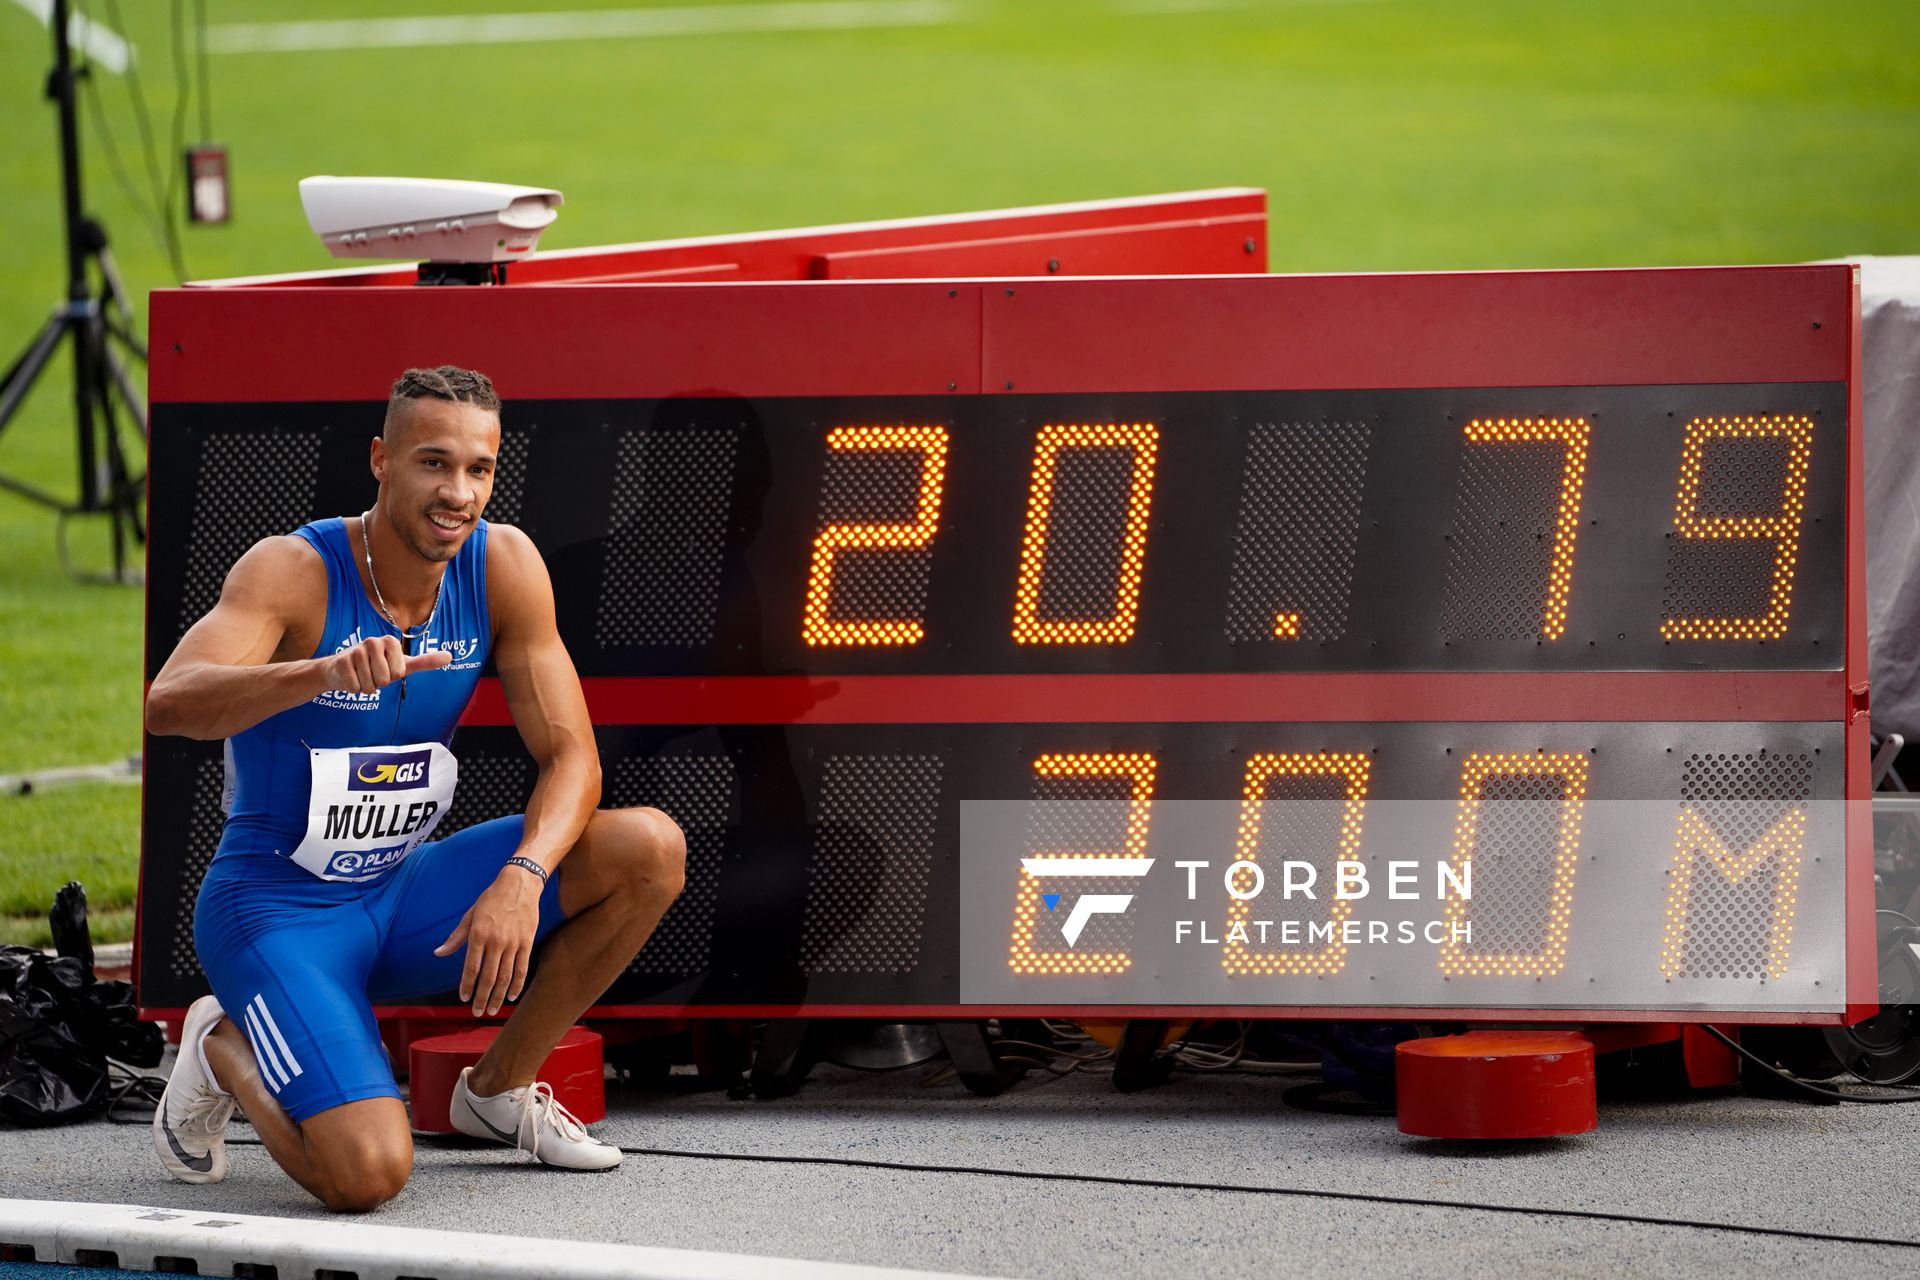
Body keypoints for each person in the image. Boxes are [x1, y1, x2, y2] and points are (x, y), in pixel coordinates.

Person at [144, 366, 686, 1211]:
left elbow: (573, 755)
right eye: (434, 464)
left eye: (479, 469)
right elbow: (169, 705)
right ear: (381, 460)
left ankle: (497, 1091)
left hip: (401, 895)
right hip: (276, 913)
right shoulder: (294, 570)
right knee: (366, 1177)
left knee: (647, 849)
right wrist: (315, 672)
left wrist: (525, 874)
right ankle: (219, 1044)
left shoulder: (503, 564)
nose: (458, 493)